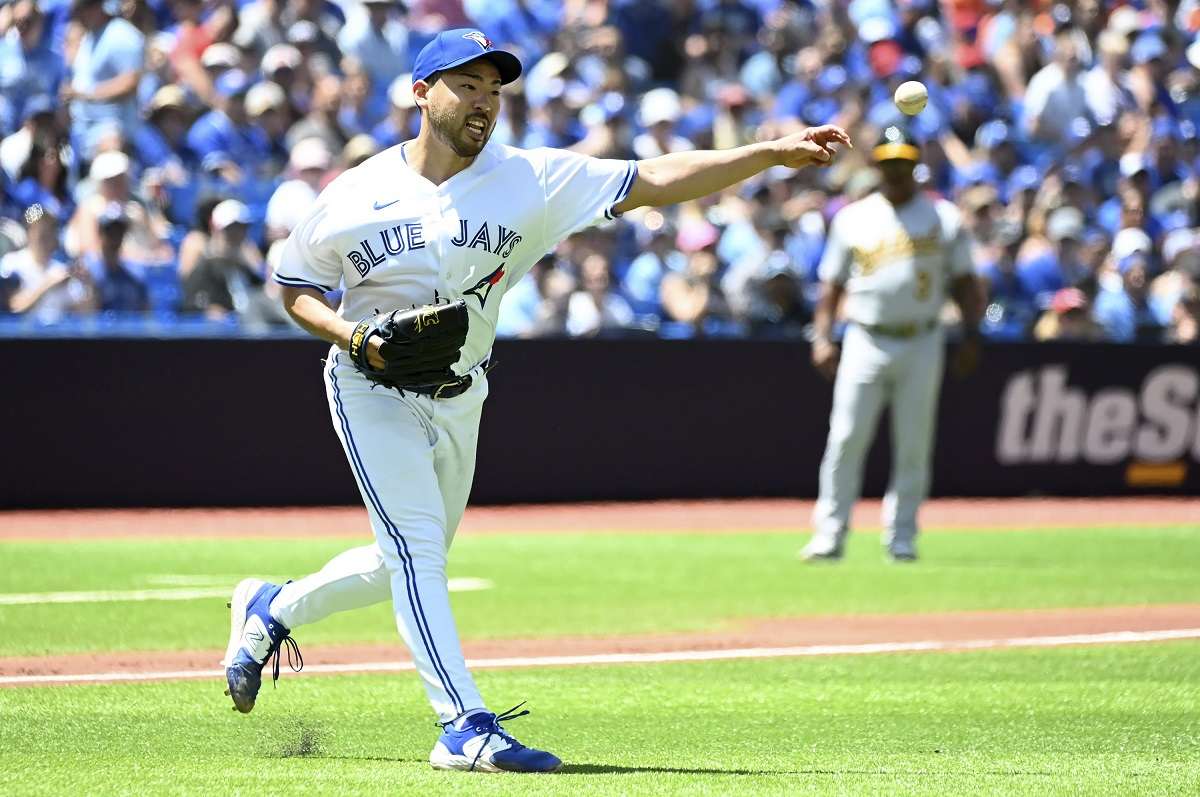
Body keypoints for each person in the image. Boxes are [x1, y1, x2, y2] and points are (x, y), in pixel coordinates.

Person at [220, 28, 849, 774]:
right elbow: (291, 283)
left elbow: (655, 176)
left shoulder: (532, 180)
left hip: (462, 392)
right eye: (468, 84)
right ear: (423, 93)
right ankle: (463, 725)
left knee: (404, 563)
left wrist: (768, 153)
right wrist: (351, 336)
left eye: (494, 87)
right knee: (419, 550)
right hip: (369, 385)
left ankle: (273, 606)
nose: (485, 100)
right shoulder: (356, 193)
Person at [802, 125, 983, 563]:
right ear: (877, 165)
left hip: (923, 336)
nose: (897, 171)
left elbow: (965, 283)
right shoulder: (853, 217)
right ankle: (830, 533)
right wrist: (822, 337)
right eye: (889, 163)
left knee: (914, 443)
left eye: (904, 163)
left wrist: (971, 336)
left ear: (916, 166)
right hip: (866, 336)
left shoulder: (943, 218)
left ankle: (901, 536)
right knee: (846, 437)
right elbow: (830, 288)